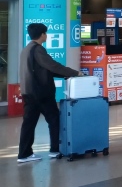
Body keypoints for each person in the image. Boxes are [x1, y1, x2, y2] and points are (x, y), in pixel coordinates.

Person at [17, 23, 81, 162]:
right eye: (46, 33)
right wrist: (75, 73)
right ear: (42, 35)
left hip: (28, 92)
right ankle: (54, 150)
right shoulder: (38, 50)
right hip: (41, 94)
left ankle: (24, 154)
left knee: (29, 123)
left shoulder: (26, 49)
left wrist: (66, 75)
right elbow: (53, 66)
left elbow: (45, 70)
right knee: (53, 119)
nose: (46, 36)